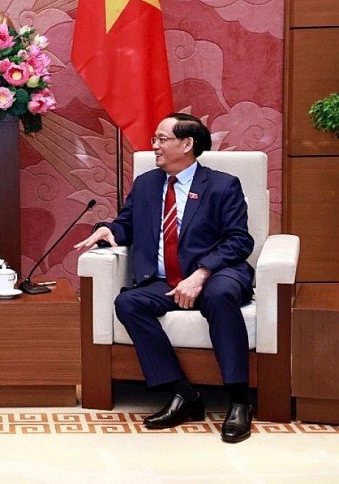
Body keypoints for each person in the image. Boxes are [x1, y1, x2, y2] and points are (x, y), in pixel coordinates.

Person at [74, 113, 255, 443]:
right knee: (128, 302)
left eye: (161, 139)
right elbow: (127, 224)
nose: (154, 146)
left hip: (216, 274)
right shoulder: (147, 183)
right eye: (155, 139)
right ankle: (183, 393)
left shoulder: (222, 184)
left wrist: (201, 274)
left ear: (187, 144)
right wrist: (108, 229)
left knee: (218, 295)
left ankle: (240, 401)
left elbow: (239, 240)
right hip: (165, 280)